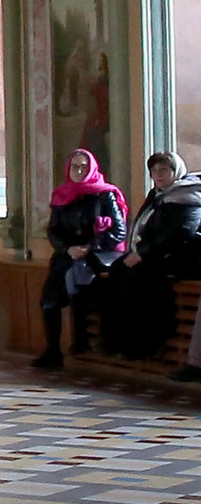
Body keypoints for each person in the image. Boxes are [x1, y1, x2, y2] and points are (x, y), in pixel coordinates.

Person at [35, 145, 127, 369]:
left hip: (96, 255)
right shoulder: (62, 195)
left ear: (92, 168)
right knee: (49, 299)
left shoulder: (105, 194)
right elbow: (53, 230)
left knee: (91, 290)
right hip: (67, 256)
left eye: (83, 167)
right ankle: (53, 351)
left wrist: (89, 246)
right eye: (75, 167)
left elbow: (119, 230)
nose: (79, 171)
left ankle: (87, 341)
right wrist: (67, 249)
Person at [108, 151, 201, 364]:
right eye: (154, 170)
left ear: (175, 171)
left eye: (164, 169)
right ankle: (117, 339)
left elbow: (179, 233)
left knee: (139, 278)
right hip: (155, 255)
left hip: (181, 258)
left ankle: (145, 344)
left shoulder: (189, 195)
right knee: (117, 269)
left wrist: (142, 254)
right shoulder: (157, 195)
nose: (158, 174)